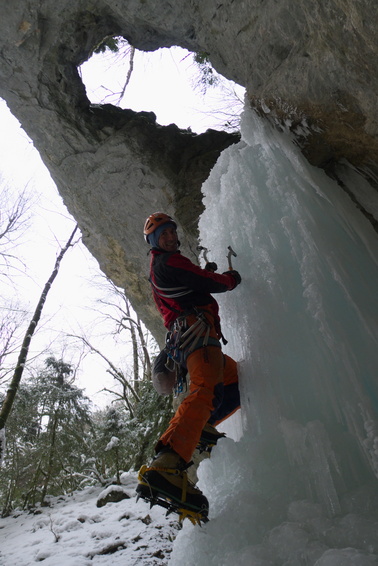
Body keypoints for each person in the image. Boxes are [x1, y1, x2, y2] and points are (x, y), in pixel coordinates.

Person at [136, 212, 241, 522]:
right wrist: (230, 279)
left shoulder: (162, 266)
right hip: (198, 334)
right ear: (154, 242)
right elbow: (211, 283)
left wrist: (199, 276)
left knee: (236, 381)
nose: (169, 237)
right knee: (205, 390)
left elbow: (191, 283)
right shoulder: (169, 262)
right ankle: (167, 463)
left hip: (190, 338)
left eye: (171, 232)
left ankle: (200, 428)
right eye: (162, 235)